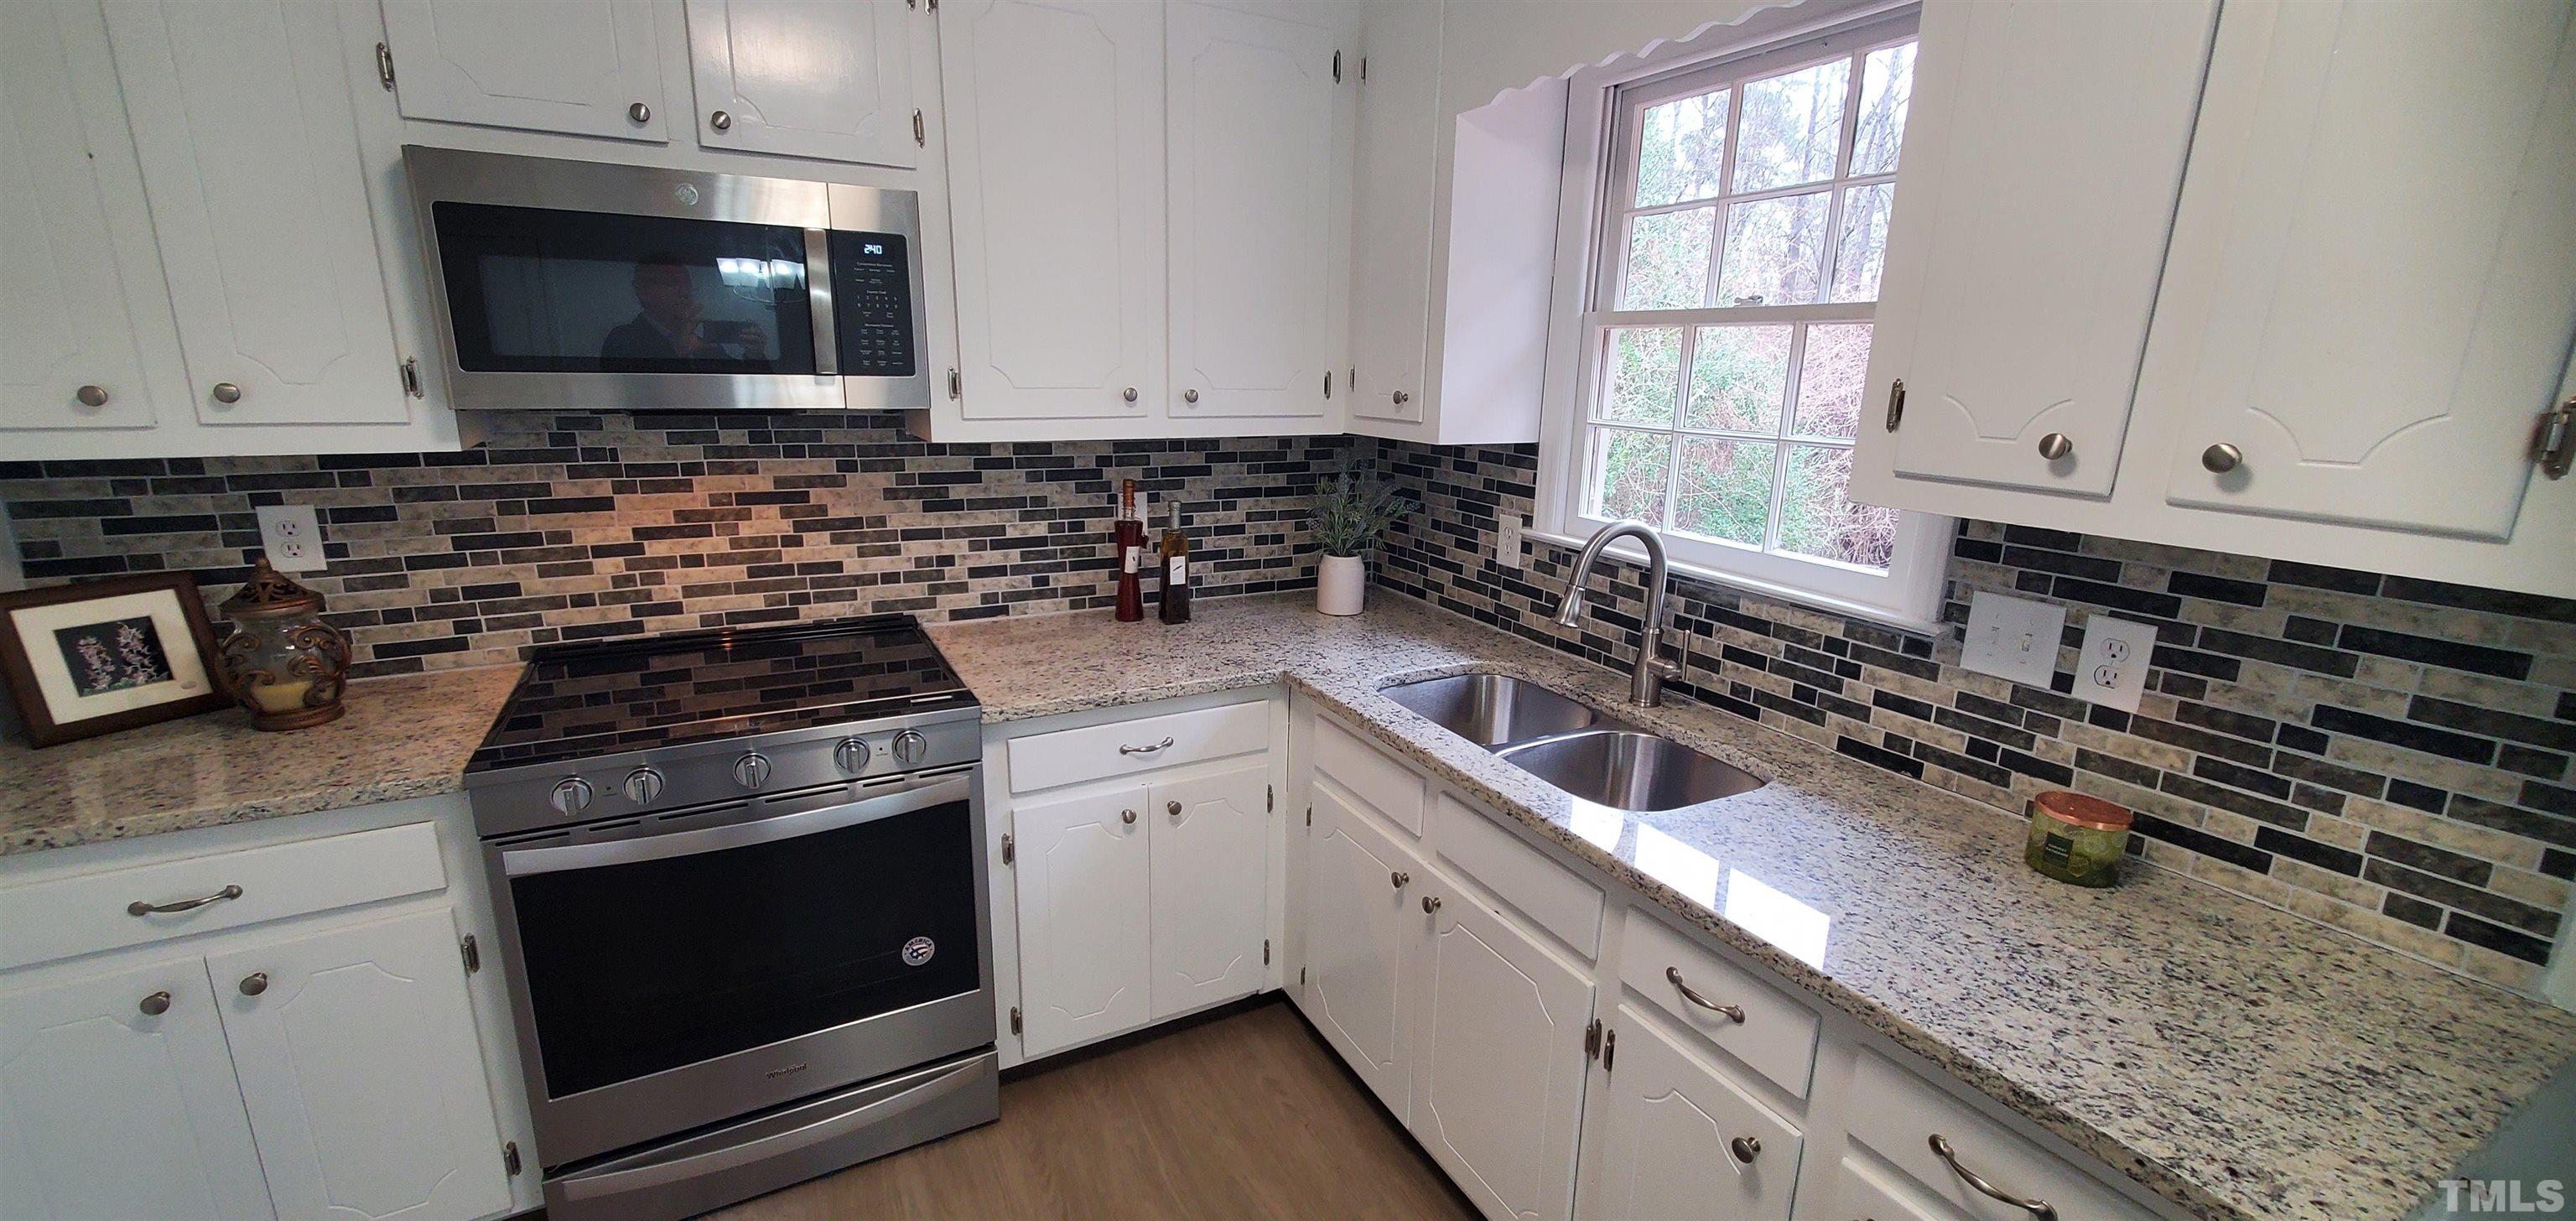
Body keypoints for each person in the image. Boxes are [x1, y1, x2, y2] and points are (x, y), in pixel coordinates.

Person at [600, 253, 765, 361]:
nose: (685, 292)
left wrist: (755, 356)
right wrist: (679, 350)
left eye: (688, 285)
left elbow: (738, 394)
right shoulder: (622, 340)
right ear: (643, 291)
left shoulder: (701, 344)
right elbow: (629, 393)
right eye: (672, 284)